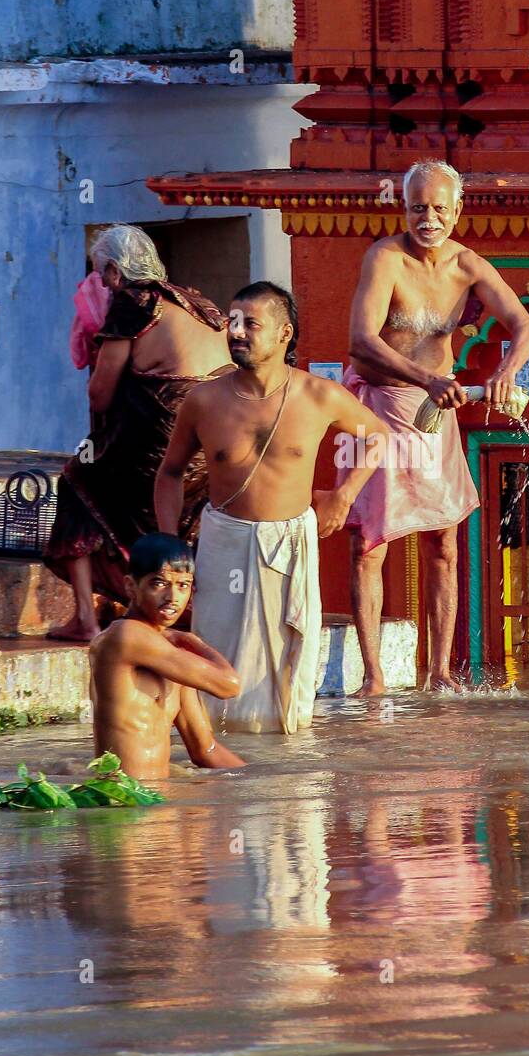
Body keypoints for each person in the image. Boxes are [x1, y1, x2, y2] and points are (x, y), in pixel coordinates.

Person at [155, 280, 389, 734]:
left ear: (284, 334)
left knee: (289, 662)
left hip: (291, 544)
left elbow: (378, 436)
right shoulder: (204, 401)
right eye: (232, 322)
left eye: (250, 324)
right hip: (224, 542)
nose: (237, 332)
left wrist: (343, 495)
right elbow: (169, 473)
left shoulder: (319, 396)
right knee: (216, 656)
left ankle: (289, 787)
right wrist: (169, 543)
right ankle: (220, 770)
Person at [345, 159, 529, 693]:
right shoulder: (384, 258)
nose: (427, 218)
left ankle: (439, 673)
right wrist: (425, 379)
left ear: (457, 210)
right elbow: (362, 342)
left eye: (437, 208)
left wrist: (504, 373)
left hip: (437, 411)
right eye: (416, 207)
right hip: (380, 404)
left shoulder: (468, 265)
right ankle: (374, 677)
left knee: (444, 543)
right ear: (402, 209)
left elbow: (525, 326)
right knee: (369, 543)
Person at [44, 224, 233, 639]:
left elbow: (100, 395)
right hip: (212, 444)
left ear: (113, 272)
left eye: (99, 275)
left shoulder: (135, 301)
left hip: (161, 442)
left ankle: (86, 620)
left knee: (78, 481)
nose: (101, 284)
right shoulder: (197, 301)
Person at [88, 532, 247, 779]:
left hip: (157, 802)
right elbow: (229, 685)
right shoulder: (126, 636)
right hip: (122, 802)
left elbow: (206, 750)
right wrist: (193, 641)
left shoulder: (171, 656)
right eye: (159, 583)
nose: (173, 597)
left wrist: (258, 782)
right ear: (131, 586)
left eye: (183, 585)